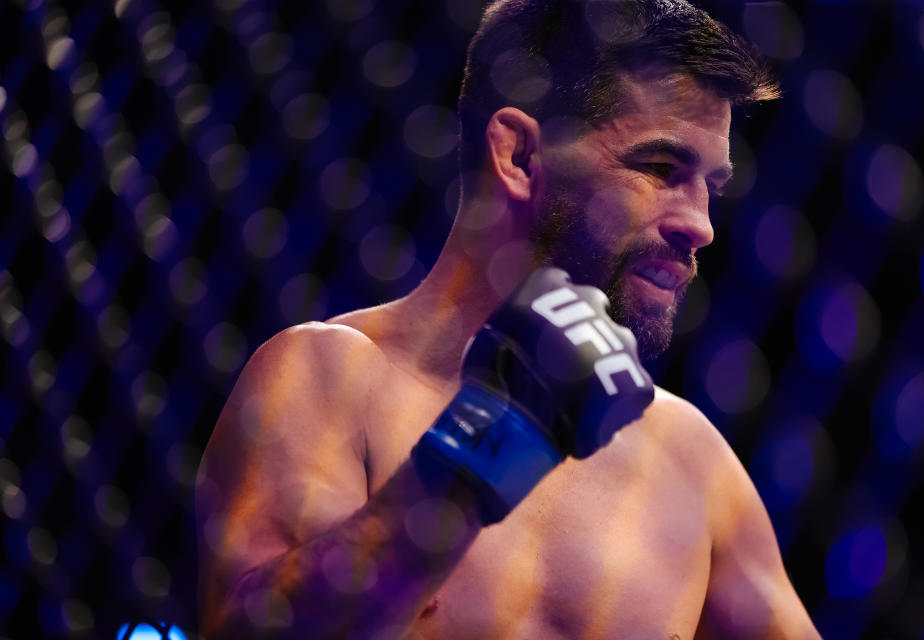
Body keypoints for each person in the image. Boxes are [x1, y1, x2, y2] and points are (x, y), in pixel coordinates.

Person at [196, 0, 822, 637]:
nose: (701, 225)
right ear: (520, 156)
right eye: (661, 169)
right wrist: (470, 464)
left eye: (709, 187)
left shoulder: (692, 463)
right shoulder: (331, 376)